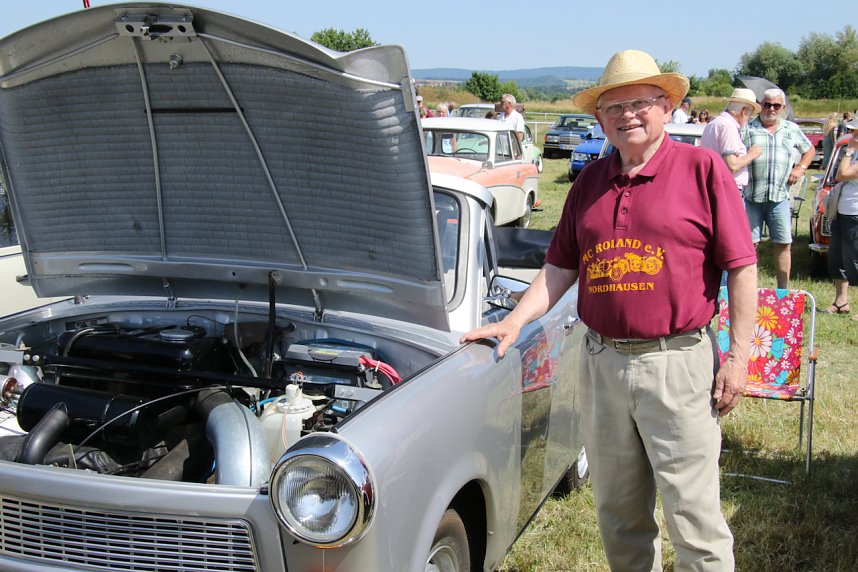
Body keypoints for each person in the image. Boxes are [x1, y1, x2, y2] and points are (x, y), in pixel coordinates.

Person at [461, 49, 757, 571]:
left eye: (640, 103)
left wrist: (739, 357)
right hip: (600, 363)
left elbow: (742, 265)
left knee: (695, 518)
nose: (627, 116)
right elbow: (559, 269)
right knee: (619, 514)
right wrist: (514, 320)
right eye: (613, 107)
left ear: (667, 107)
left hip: (677, 363)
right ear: (600, 119)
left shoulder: (701, 168)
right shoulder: (589, 182)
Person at [743, 88, 815, 290]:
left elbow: (809, 149)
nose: (771, 109)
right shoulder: (748, 128)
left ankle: (782, 291)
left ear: (783, 108)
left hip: (779, 197)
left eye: (776, 105)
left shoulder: (791, 128)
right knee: (749, 247)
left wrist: (800, 168)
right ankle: (749, 289)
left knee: (783, 244)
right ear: (761, 105)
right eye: (767, 104)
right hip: (751, 196)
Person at [825, 117, 858, 318]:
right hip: (842, 211)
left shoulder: (851, 153)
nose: (853, 135)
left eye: (856, 132)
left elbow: (842, 174)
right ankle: (840, 302)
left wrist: (849, 151)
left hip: (855, 213)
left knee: (855, 260)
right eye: (853, 131)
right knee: (837, 258)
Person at [701, 88, 763, 194]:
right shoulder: (728, 126)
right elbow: (732, 165)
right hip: (728, 189)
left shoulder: (714, 123)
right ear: (744, 111)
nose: (749, 118)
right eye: (750, 114)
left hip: (715, 185)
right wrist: (752, 154)